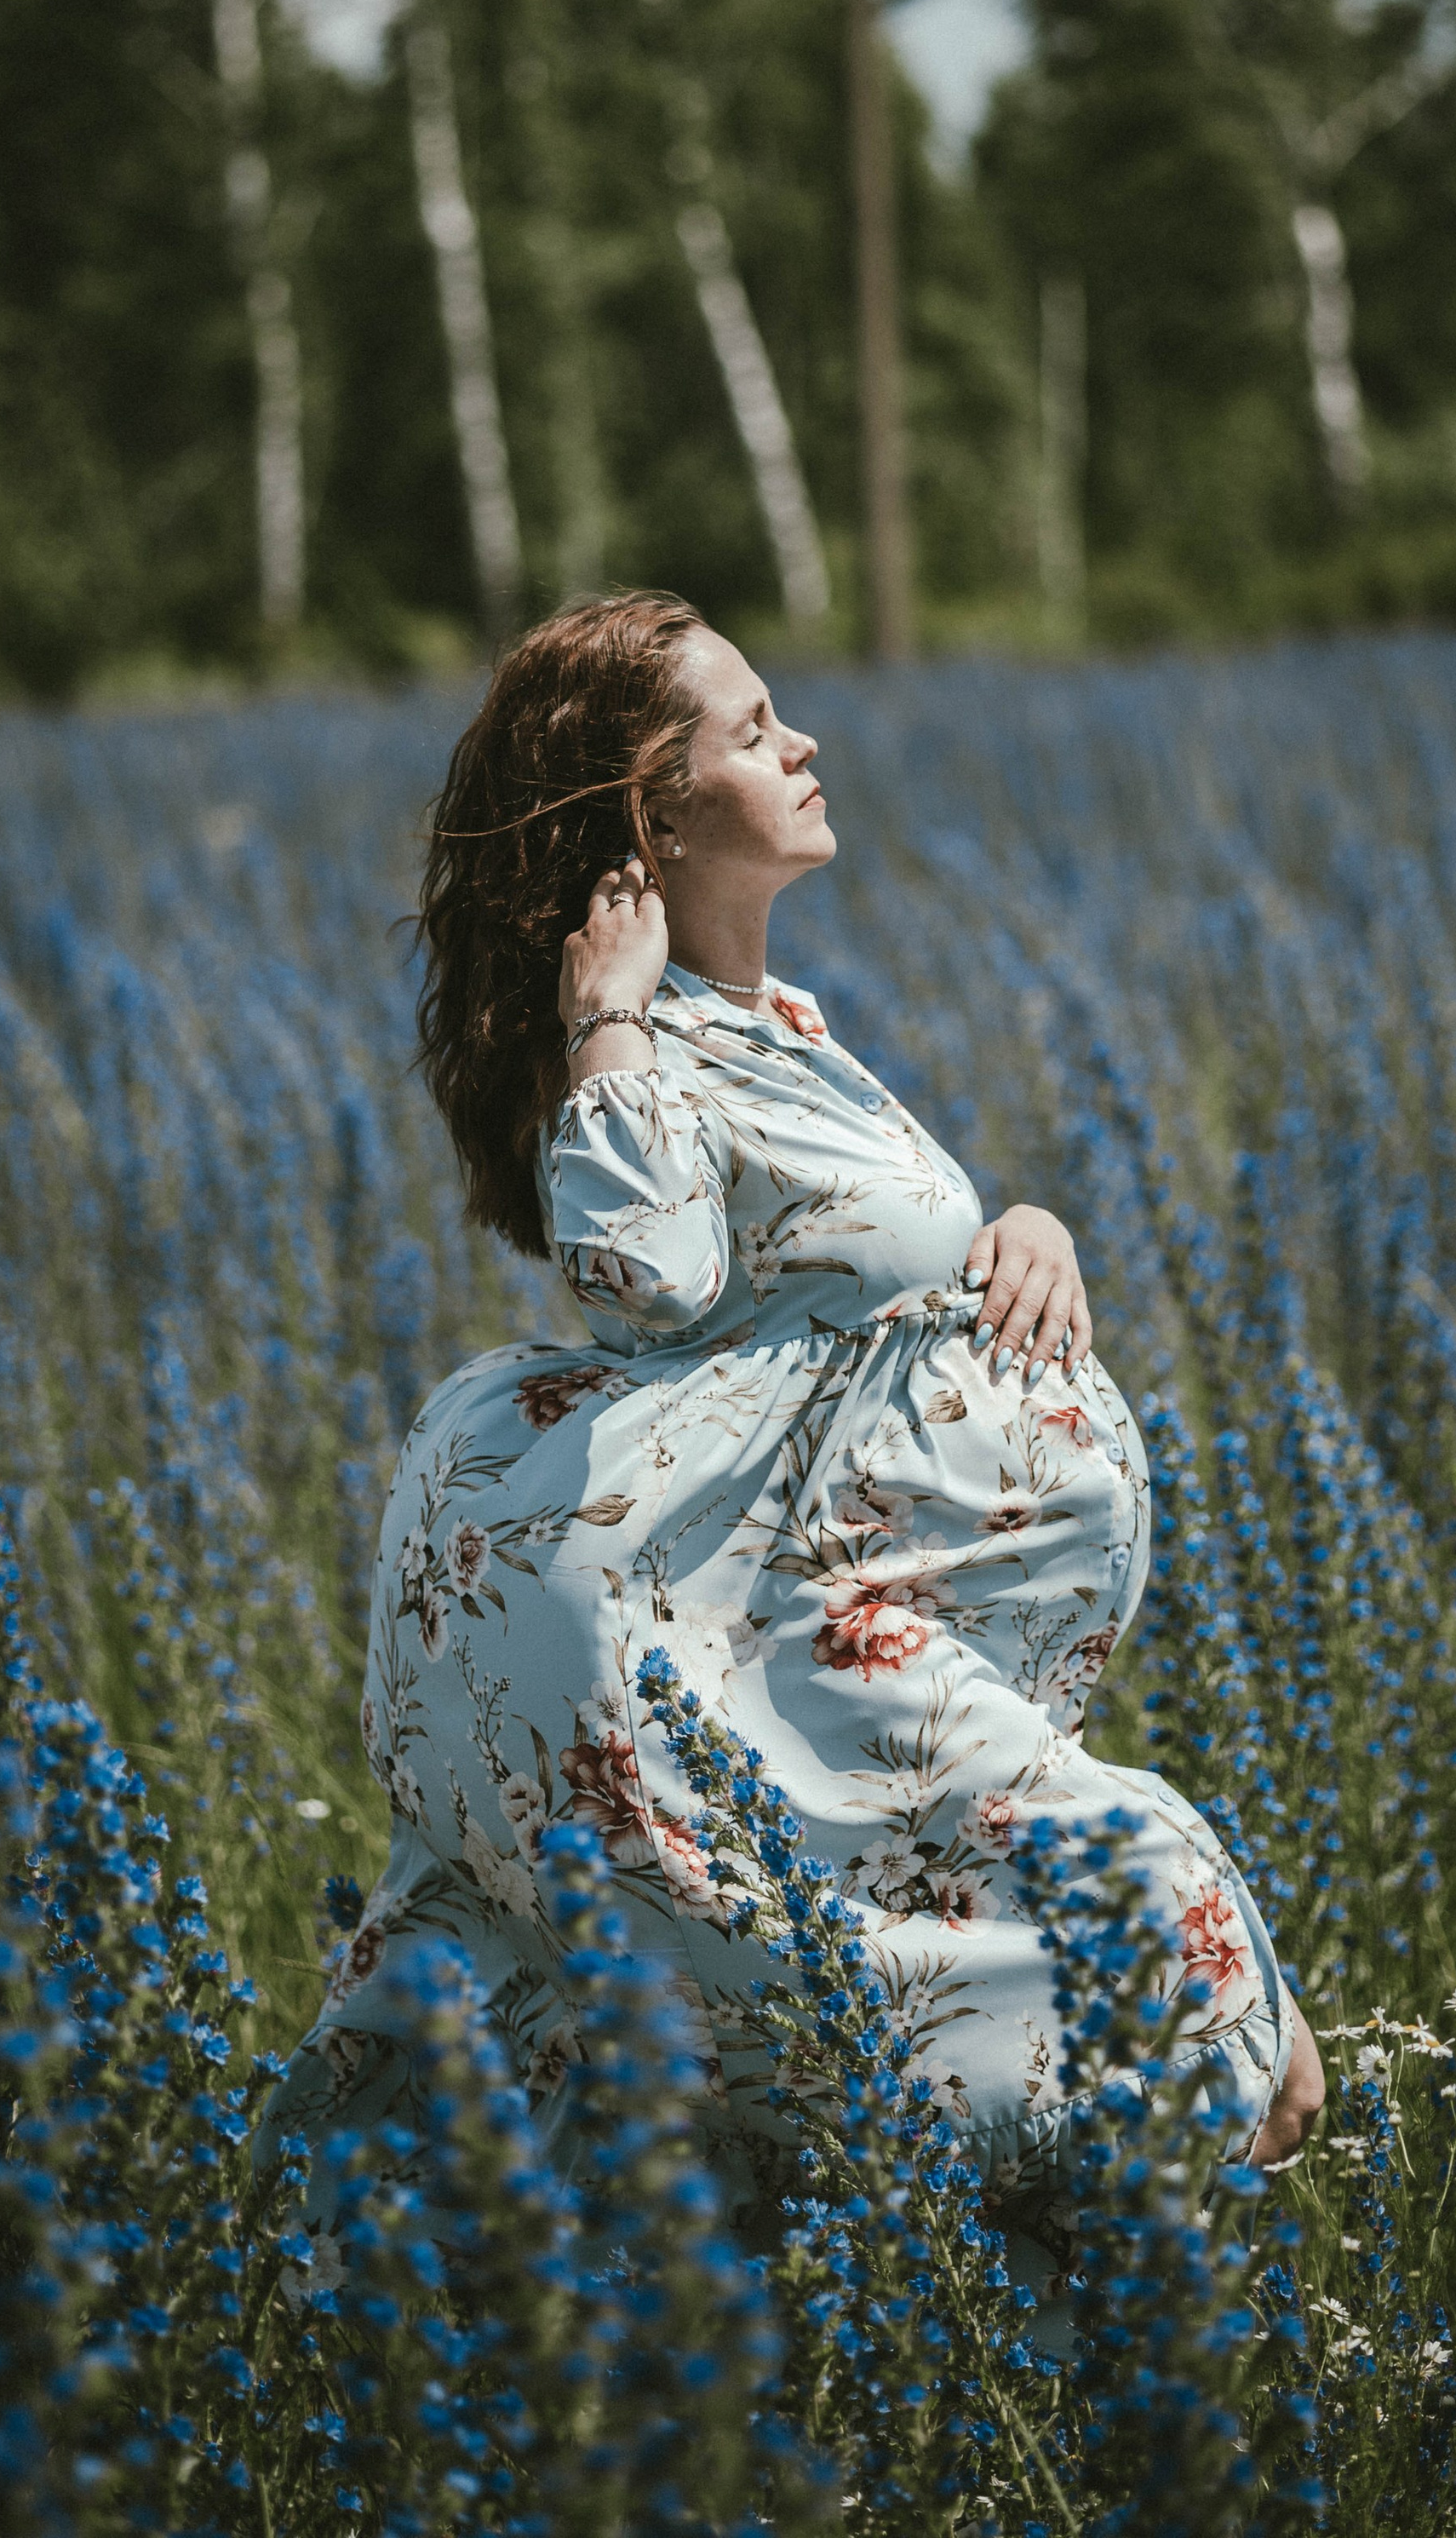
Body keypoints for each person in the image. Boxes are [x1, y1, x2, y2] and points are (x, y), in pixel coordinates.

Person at [267, 588, 1323, 2265]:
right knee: (1128, 1899)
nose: (804, 741)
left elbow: (847, 1277)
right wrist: (604, 1001)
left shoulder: (777, 1024)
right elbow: (644, 1280)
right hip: (766, 1620)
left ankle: (923, 2332)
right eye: (753, 731)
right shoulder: (637, 1036)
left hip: (858, 1605)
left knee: (890, 1997)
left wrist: (1023, 1225)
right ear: (653, 815)